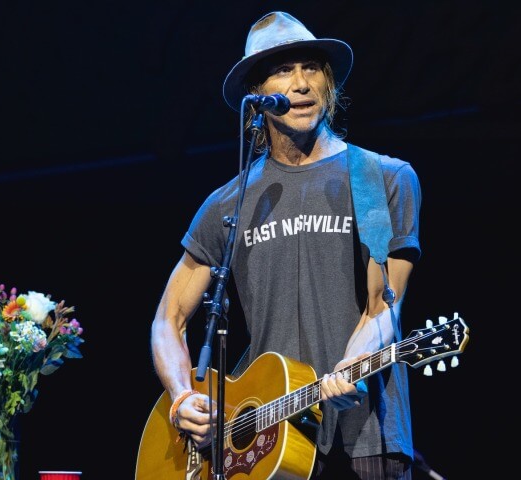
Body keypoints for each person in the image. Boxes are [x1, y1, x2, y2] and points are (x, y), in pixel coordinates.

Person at [150, 11, 422, 480]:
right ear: (256, 96)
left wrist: (351, 367)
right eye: (283, 70)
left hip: (363, 435)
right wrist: (180, 396)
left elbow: (384, 308)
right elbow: (168, 318)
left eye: (311, 68)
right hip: (259, 446)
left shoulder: (383, 179)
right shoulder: (228, 203)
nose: (301, 84)